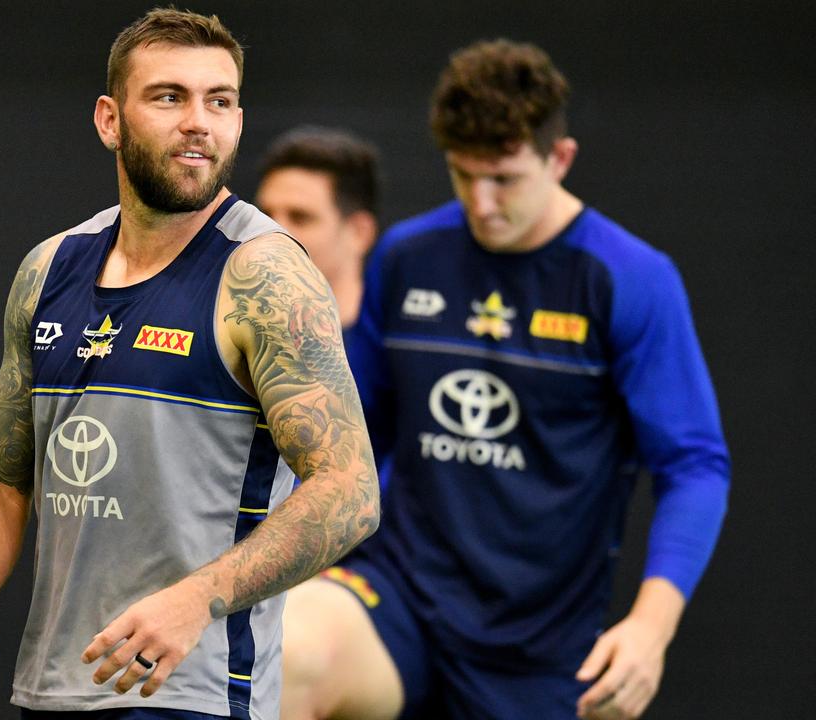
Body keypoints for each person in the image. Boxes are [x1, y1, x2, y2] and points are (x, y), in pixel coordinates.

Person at [0, 9, 379, 720]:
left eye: (220, 101)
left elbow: (350, 490)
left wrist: (200, 597)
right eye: (170, 97)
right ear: (110, 120)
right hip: (52, 686)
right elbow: (0, 475)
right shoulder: (50, 269)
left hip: (190, 695)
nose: (199, 121)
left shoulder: (265, 276)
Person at [280, 39, 730, 720]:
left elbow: (695, 465)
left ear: (561, 159)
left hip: (540, 645)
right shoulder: (409, 258)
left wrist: (650, 628)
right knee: (288, 653)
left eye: (506, 179)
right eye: (464, 176)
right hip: (400, 596)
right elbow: (349, 429)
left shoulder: (629, 279)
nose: (483, 203)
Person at [254, 126, 380, 331]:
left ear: (359, 234)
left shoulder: (393, 351)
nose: (272, 233)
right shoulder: (229, 345)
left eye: (300, 218)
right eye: (265, 215)